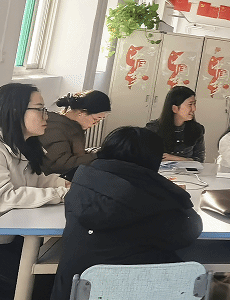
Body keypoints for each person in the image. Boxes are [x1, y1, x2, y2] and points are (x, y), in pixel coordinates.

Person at [50, 127, 203, 300]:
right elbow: (190, 231)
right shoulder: (153, 197)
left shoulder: (80, 184)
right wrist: (166, 188)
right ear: (153, 161)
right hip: (140, 292)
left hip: (75, 293)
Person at [0, 83, 70, 298]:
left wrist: (65, 185)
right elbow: (5, 196)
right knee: (35, 284)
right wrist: (60, 194)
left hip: (12, 238)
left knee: (50, 275)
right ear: (15, 111)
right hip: (4, 240)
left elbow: (36, 181)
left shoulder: (24, 145)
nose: (46, 116)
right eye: (39, 109)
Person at [38, 90, 110, 175]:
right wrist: (97, 156)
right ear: (81, 113)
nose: (95, 124)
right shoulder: (56, 128)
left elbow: (74, 155)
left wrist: (98, 152)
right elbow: (59, 165)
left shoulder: (71, 127)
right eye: (96, 119)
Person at [145, 86, 205, 162]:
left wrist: (175, 158)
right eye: (190, 104)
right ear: (175, 108)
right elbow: (144, 156)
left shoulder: (197, 129)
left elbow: (200, 160)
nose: (194, 109)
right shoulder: (153, 129)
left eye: (194, 104)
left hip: (187, 170)